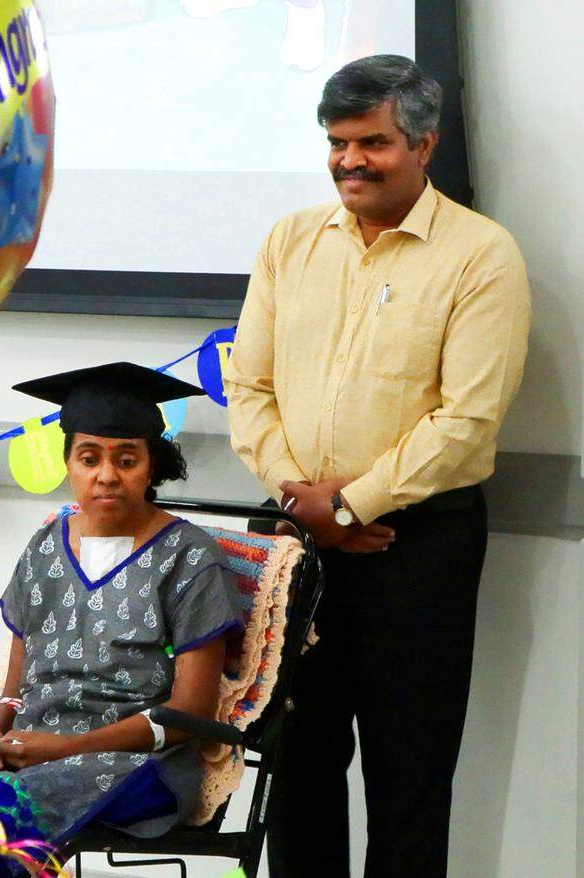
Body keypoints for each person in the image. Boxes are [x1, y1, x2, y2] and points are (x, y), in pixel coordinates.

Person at [224, 55, 530, 877]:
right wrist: (307, 508)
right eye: (337, 142)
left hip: (416, 549)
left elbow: (467, 422)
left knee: (410, 777)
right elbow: (247, 387)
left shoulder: (481, 256)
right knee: (294, 769)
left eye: (373, 143)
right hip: (292, 547)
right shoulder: (290, 241)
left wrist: (350, 507)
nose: (350, 161)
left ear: (424, 144)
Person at [0, 362, 243, 875]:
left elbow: (191, 713)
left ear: (152, 466)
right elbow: (17, 681)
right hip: (32, 746)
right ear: (68, 461)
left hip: (140, 764)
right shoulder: (45, 545)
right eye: (89, 457)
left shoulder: (189, 556)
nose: (106, 475)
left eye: (127, 459)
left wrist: (68, 747)